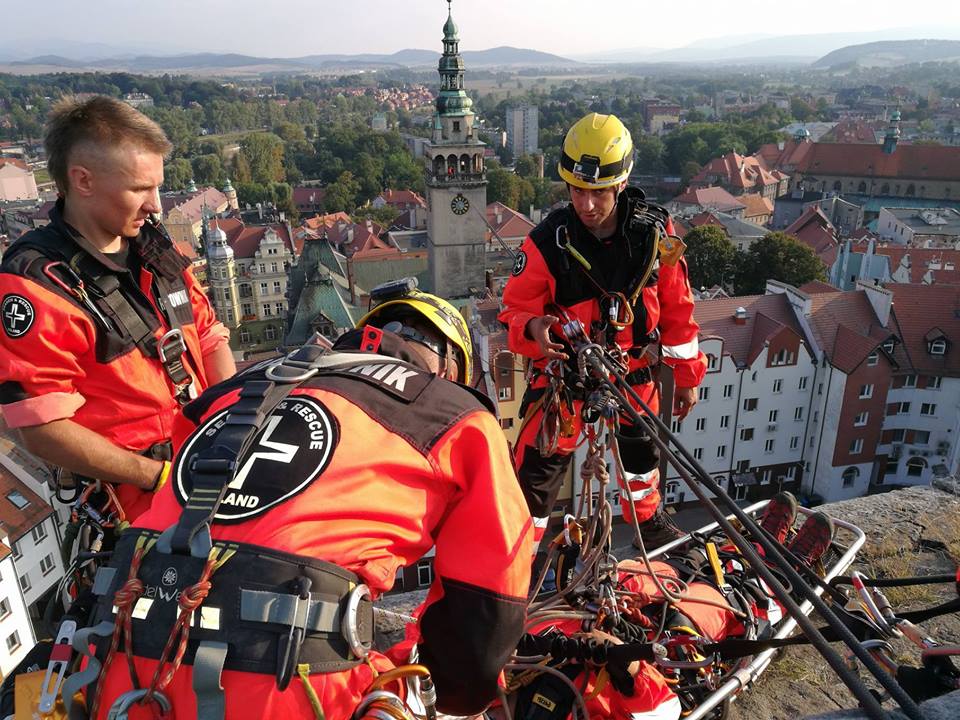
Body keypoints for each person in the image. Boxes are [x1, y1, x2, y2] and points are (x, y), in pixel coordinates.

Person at [85, 280, 533, 720]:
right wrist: (457, 694)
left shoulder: (236, 391)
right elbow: (490, 596)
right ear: (450, 367)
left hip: (118, 656)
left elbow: (179, 491)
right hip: (286, 678)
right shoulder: (452, 413)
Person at [0, 96, 235, 521]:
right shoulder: (35, 284)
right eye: (140, 189)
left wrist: (233, 427)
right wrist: (159, 476)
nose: (157, 204)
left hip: (205, 466)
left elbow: (207, 335)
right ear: (83, 181)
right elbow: (41, 427)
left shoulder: (154, 246)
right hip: (139, 506)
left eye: (157, 186)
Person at [499, 112, 706, 550]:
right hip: (565, 381)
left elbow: (677, 312)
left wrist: (686, 378)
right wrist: (535, 328)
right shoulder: (547, 243)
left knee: (641, 461)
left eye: (596, 193)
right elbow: (515, 310)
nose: (585, 204)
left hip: (633, 374)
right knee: (536, 474)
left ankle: (648, 524)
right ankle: (517, 555)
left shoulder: (655, 237)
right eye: (576, 190)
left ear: (620, 185)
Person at [510, 492, 837, 720]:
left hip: (600, 610)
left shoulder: (496, 671)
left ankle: (749, 549)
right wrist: (630, 669)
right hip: (654, 650)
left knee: (652, 573)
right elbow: (663, 712)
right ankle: (783, 576)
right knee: (714, 602)